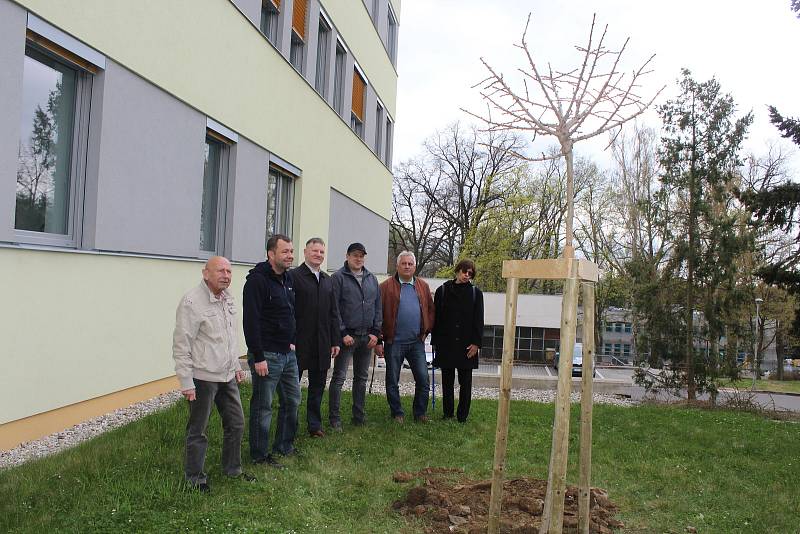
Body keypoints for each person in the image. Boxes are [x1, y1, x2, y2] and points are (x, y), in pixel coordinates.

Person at [172, 256, 254, 492]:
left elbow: (229, 338)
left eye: (229, 271)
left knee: (236, 424)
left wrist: (237, 366)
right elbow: (181, 344)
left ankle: (232, 469)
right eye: (220, 271)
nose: (226, 275)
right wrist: (186, 381)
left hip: (227, 375)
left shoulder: (228, 299)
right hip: (203, 378)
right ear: (205, 273)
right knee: (198, 430)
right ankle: (195, 478)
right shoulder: (192, 302)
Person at [243, 234, 301, 468]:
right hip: (266, 355)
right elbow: (251, 320)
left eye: (291, 251)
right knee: (263, 406)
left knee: (292, 401)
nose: (290, 255)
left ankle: (284, 446)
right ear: (271, 254)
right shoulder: (257, 281)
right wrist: (258, 356)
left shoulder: (287, 279)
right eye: (285, 251)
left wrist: (292, 340)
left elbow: (290, 313)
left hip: (287, 353)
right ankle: (259, 455)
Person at [376, 251, 434, 423]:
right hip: (394, 342)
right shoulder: (385, 287)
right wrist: (379, 339)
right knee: (392, 380)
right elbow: (377, 314)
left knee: (423, 379)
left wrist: (426, 330)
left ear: (415, 266)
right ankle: (397, 413)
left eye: (410, 264)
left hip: (416, 342)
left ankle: (420, 413)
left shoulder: (423, 286)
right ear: (398, 265)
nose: (407, 266)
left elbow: (431, 310)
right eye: (404, 263)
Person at [328, 242, 382, 429]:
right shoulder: (338, 278)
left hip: (366, 338)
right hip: (347, 338)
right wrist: (342, 333)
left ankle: (358, 416)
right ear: (347, 256)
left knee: (361, 378)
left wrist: (376, 333)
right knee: (339, 378)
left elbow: (377, 307)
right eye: (355, 255)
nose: (358, 259)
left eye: (361, 256)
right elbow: (334, 309)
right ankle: (334, 419)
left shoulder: (371, 279)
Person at [290, 238, 340, 437]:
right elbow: (289, 311)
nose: (318, 254)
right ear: (305, 252)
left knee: (317, 387)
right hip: (299, 343)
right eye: (314, 251)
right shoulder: (294, 277)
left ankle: (314, 425)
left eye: (321, 252)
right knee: (293, 389)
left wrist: (335, 340)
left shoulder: (328, 280)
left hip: (322, 343)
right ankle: (290, 427)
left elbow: (334, 313)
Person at [431, 259, 484, 423]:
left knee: (465, 382)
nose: (466, 276)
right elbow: (436, 319)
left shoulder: (476, 293)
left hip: (467, 345)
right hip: (446, 344)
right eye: (464, 272)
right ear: (457, 270)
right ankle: (447, 414)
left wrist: (476, 343)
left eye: (470, 274)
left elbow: (479, 320)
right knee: (447, 381)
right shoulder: (443, 291)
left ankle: (462, 416)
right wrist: (435, 342)